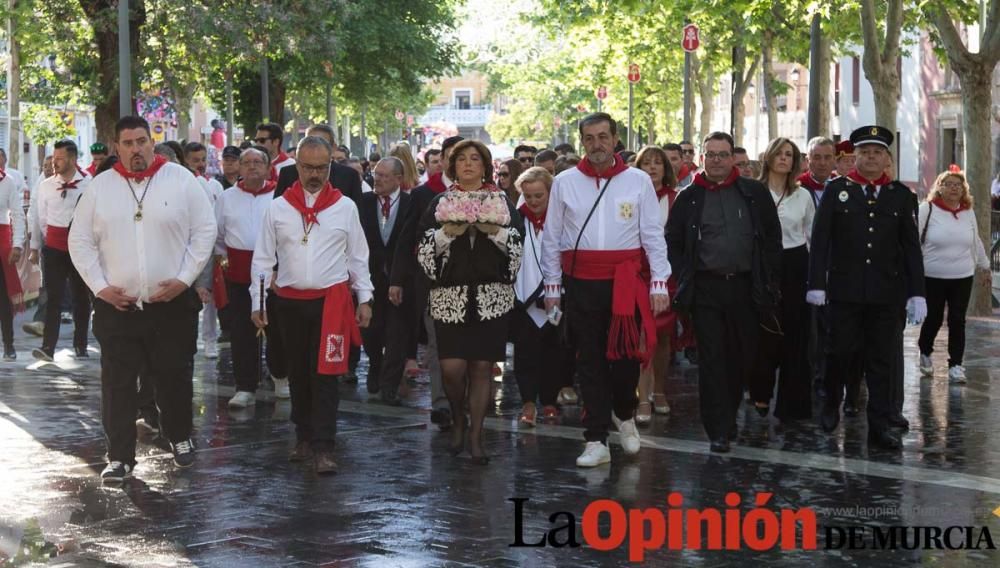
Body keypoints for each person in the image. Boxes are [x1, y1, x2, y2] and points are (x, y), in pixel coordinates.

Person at [69, 116, 216, 482]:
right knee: (117, 384)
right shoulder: (100, 187)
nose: (136, 149)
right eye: (128, 143)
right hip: (118, 307)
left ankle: (180, 436)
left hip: (171, 305)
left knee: (173, 376)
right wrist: (100, 286)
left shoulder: (181, 180)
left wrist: (184, 280)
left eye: (141, 141)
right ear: (117, 147)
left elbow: (204, 231)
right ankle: (119, 456)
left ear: (153, 142)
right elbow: (80, 240)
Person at [542, 113, 670, 467]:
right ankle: (595, 438)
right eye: (589, 138)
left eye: (602, 136)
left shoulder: (638, 181)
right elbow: (551, 238)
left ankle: (625, 414)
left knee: (627, 359)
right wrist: (552, 286)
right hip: (581, 282)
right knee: (591, 362)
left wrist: (659, 281)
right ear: (581, 141)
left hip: (625, 283)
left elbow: (652, 235)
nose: (596, 144)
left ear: (615, 139)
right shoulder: (565, 182)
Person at [251, 135, 373, 474]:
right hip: (289, 303)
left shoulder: (345, 206)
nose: (314, 174)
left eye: (321, 168)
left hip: (330, 305)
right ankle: (303, 435)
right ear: (296, 166)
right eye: (308, 168)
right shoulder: (278, 208)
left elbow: (358, 257)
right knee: (298, 374)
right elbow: (262, 259)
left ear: (330, 167)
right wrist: (257, 302)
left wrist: (365, 298)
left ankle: (323, 446)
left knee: (325, 375)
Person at [807, 125, 925, 450]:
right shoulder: (837, 191)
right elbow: (820, 241)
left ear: (887, 158)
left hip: (886, 294)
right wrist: (817, 284)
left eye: (877, 152)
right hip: (843, 292)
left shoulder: (901, 195)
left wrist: (917, 292)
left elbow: (911, 247)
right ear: (854, 156)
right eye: (865, 152)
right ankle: (831, 400)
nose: (871, 158)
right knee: (839, 352)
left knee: (881, 361)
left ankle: (880, 426)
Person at [667, 132, 782, 453]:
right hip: (706, 289)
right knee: (713, 359)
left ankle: (730, 414)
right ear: (702, 158)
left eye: (722, 154)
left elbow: (772, 236)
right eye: (711, 154)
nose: (716, 160)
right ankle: (718, 428)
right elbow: (673, 240)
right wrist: (684, 275)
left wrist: (769, 278)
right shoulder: (688, 197)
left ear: (733, 158)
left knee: (741, 357)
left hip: (746, 288)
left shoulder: (753, 192)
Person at [417, 139, 523, 464]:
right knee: (451, 368)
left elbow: (518, 248)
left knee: (481, 368)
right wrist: (448, 232)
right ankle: (458, 417)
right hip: (450, 299)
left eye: (474, 159)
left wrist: (494, 231)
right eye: (461, 159)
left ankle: (476, 436)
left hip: (492, 299)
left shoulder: (502, 202)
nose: (467, 164)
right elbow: (423, 252)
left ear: (485, 165)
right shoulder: (439, 202)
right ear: (452, 166)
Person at [390, 135, 465, 430]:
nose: (459, 163)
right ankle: (441, 402)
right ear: (443, 159)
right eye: (453, 157)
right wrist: (397, 279)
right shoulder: (423, 194)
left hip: (471, 283)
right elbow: (406, 238)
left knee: (466, 347)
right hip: (432, 282)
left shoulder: (485, 194)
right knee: (437, 343)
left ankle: (464, 399)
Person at [749, 137, 815, 422]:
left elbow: (811, 234)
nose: (784, 159)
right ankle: (760, 391)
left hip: (796, 264)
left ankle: (792, 402)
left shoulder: (803, 195)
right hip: (763, 265)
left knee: (795, 333)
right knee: (764, 332)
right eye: (779, 153)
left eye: (789, 154)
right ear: (769, 157)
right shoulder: (754, 191)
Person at [214, 147, 281, 407]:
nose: (252, 167)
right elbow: (218, 236)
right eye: (247, 163)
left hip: (273, 274)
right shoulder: (227, 198)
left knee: (276, 330)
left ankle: (280, 376)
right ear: (239, 168)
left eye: (258, 162)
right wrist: (226, 262)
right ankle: (245, 386)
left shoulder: (279, 196)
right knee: (242, 331)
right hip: (240, 274)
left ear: (267, 167)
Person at [512, 167, 574, 425]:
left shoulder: (563, 220)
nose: (534, 202)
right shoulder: (516, 220)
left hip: (555, 297)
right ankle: (528, 401)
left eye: (539, 196)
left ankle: (548, 400)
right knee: (524, 351)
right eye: (529, 197)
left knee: (553, 349)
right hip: (523, 297)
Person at [917, 168, 990, 384]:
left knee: (958, 320)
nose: (954, 188)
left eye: (958, 185)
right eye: (948, 184)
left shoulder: (968, 212)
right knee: (934, 318)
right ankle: (925, 351)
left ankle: (956, 365)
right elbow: (913, 239)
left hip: (962, 275)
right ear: (939, 187)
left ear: (963, 190)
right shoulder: (927, 209)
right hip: (932, 276)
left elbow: (975, 240)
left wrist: (984, 266)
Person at [359, 158, 417, 404]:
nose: (378, 179)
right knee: (371, 330)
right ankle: (375, 363)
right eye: (375, 174)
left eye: (384, 175)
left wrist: (401, 278)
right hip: (370, 279)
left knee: (397, 334)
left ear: (398, 179)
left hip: (401, 281)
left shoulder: (411, 204)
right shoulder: (362, 203)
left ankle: (389, 385)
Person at [29, 140, 92, 362]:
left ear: (73, 159)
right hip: (54, 248)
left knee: (80, 298)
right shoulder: (45, 185)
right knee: (53, 298)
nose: (55, 162)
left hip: (79, 248)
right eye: (53, 158)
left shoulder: (88, 183)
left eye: (60, 158)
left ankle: (81, 344)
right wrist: (36, 246)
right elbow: (40, 218)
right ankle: (48, 347)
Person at [634, 145, 678, 423]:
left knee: (663, 338)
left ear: (666, 169)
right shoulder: (631, 195)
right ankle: (642, 397)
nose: (652, 167)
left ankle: (659, 390)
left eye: (657, 163)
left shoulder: (676, 199)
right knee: (641, 336)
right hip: (637, 274)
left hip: (667, 276)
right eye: (646, 163)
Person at [184, 142, 225, 359]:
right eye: (195, 160)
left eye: (203, 160)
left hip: (211, 244)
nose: (200, 164)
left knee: (210, 294)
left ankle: (210, 339)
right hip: (190, 242)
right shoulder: (189, 182)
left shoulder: (216, 186)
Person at [0, 161, 26, 360]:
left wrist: (17, 244)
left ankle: (8, 343)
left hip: (2, 241)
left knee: (3, 297)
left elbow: (17, 215)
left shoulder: (7, 182)